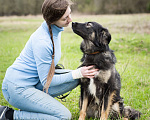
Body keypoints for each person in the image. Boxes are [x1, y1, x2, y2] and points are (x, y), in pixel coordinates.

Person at [0, 0, 99, 120]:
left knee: (76, 79)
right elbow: (47, 82)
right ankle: (9, 115)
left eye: (70, 14)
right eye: (65, 18)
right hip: (16, 88)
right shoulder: (42, 42)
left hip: (34, 83)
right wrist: (77, 73)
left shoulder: (55, 29)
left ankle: (34, 105)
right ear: (52, 20)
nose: (70, 19)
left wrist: (78, 75)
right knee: (63, 116)